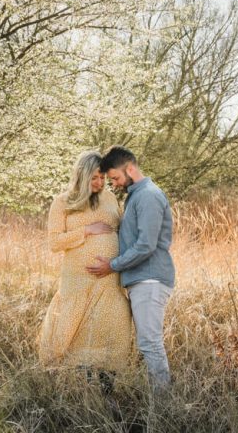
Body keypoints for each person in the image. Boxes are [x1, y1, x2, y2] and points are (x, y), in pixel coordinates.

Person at [38, 151, 135, 385]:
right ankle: (76, 385)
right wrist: (86, 231)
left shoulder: (110, 198)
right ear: (81, 176)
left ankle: (105, 384)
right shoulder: (63, 202)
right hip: (78, 281)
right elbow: (54, 242)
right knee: (77, 330)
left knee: (111, 326)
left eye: (102, 178)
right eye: (94, 178)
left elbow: (122, 231)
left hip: (108, 279)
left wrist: (118, 263)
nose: (99, 183)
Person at [86, 145, 175, 393]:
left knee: (150, 344)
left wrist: (112, 266)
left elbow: (146, 245)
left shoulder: (147, 195)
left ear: (131, 168)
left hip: (150, 281)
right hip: (142, 281)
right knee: (148, 344)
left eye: (115, 177)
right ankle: (161, 399)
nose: (113, 184)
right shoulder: (136, 195)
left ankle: (163, 406)